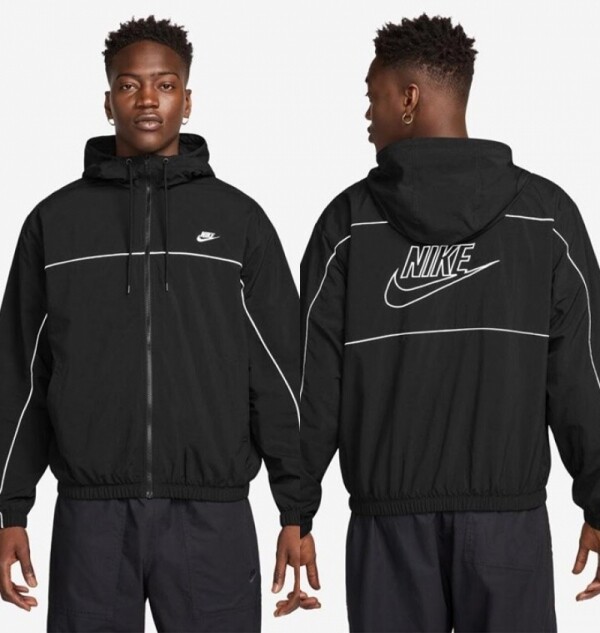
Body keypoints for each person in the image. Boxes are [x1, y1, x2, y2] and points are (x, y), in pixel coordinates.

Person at [299, 12, 600, 632]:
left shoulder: (347, 226)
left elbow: (312, 386)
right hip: (508, 530)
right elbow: (583, 380)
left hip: (389, 534)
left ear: (409, 99)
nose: (367, 114)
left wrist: (295, 509)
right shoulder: (546, 217)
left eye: (374, 96)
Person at [0, 14, 301, 633]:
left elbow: (281, 372)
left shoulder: (239, 221)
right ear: (107, 100)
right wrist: (11, 509)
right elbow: (20, 373)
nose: (146, 100)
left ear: (187, 101)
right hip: (92, 518)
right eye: (129, 85)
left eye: (164, 85)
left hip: (211, 515)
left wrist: (296, 507)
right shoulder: (54, 224)